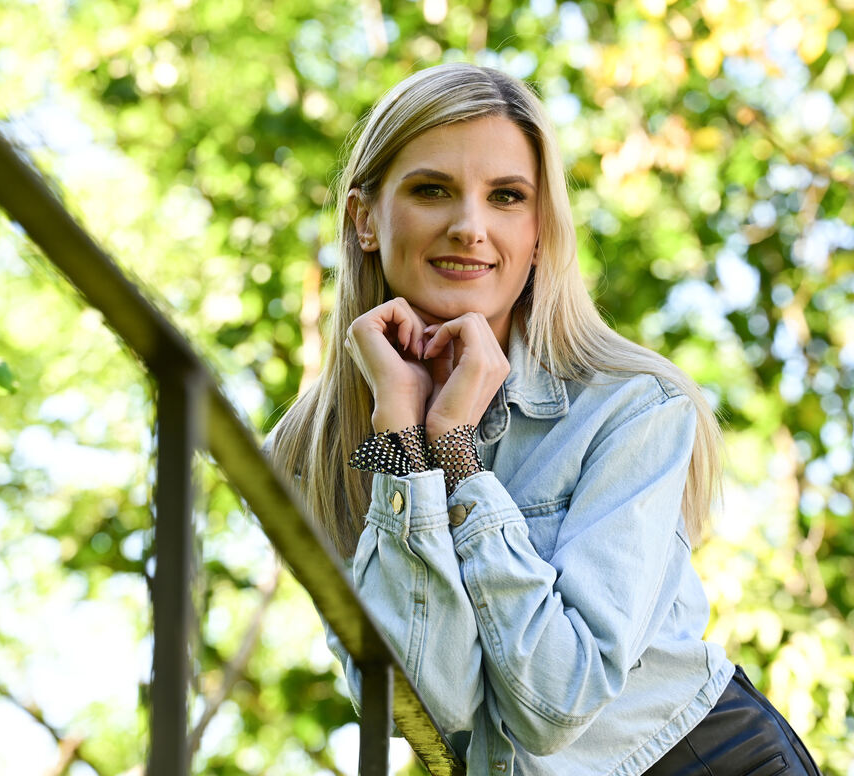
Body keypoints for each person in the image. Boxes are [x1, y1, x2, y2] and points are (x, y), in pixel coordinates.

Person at [267, 63, 821, 775]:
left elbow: (556, 702)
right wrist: (402, 446)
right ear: (364, 220)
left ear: (538, 232)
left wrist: (455, 455)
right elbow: (432, 707)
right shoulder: (311, 454)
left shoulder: (630, 407)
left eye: (506, 197)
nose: (470, 228)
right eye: (432, 190)